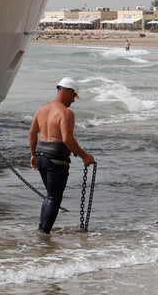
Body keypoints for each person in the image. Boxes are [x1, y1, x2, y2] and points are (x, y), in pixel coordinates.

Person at [28, 77, 94, 234]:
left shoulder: (41, 109)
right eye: (74, 96)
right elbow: (67, 139)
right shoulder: (66, 113)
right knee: (54, 198)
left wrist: (33, 155)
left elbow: (31, 134)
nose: (73, 101)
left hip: (41, 156)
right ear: (69, 92)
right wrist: (85, 156)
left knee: (50, 196)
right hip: (56, 160)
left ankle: (41, 231)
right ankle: (44, 235)